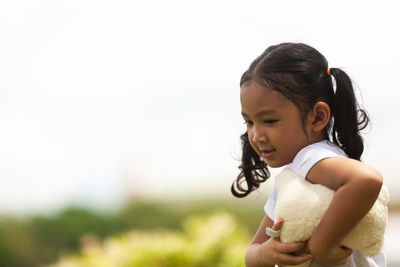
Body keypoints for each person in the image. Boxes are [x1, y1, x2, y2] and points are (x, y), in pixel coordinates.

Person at [231, 43, 385, 266]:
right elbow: (252, 253)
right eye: (250, 122)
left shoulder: (312, 157)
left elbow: (367, 180)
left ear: (317, 117)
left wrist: (322, 246)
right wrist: (267, 252)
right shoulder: (293, 176)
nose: (256, 135)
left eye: (270, 121)